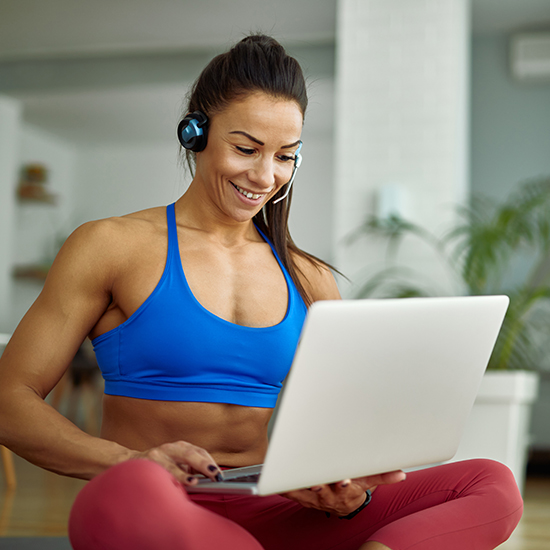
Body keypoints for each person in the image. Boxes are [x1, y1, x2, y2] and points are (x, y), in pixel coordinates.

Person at [0, 34, 523, 550]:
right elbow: (9, 399)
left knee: (490, 483)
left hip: (271, 506)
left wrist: (344, 488)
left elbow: (338, 433)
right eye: (246, 148)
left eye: (285, 156)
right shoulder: (110, 245)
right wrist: (126, 460)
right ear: (195, 132)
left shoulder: (308, 277)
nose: (265, 175)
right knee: (130, 491)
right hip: (154, 503)